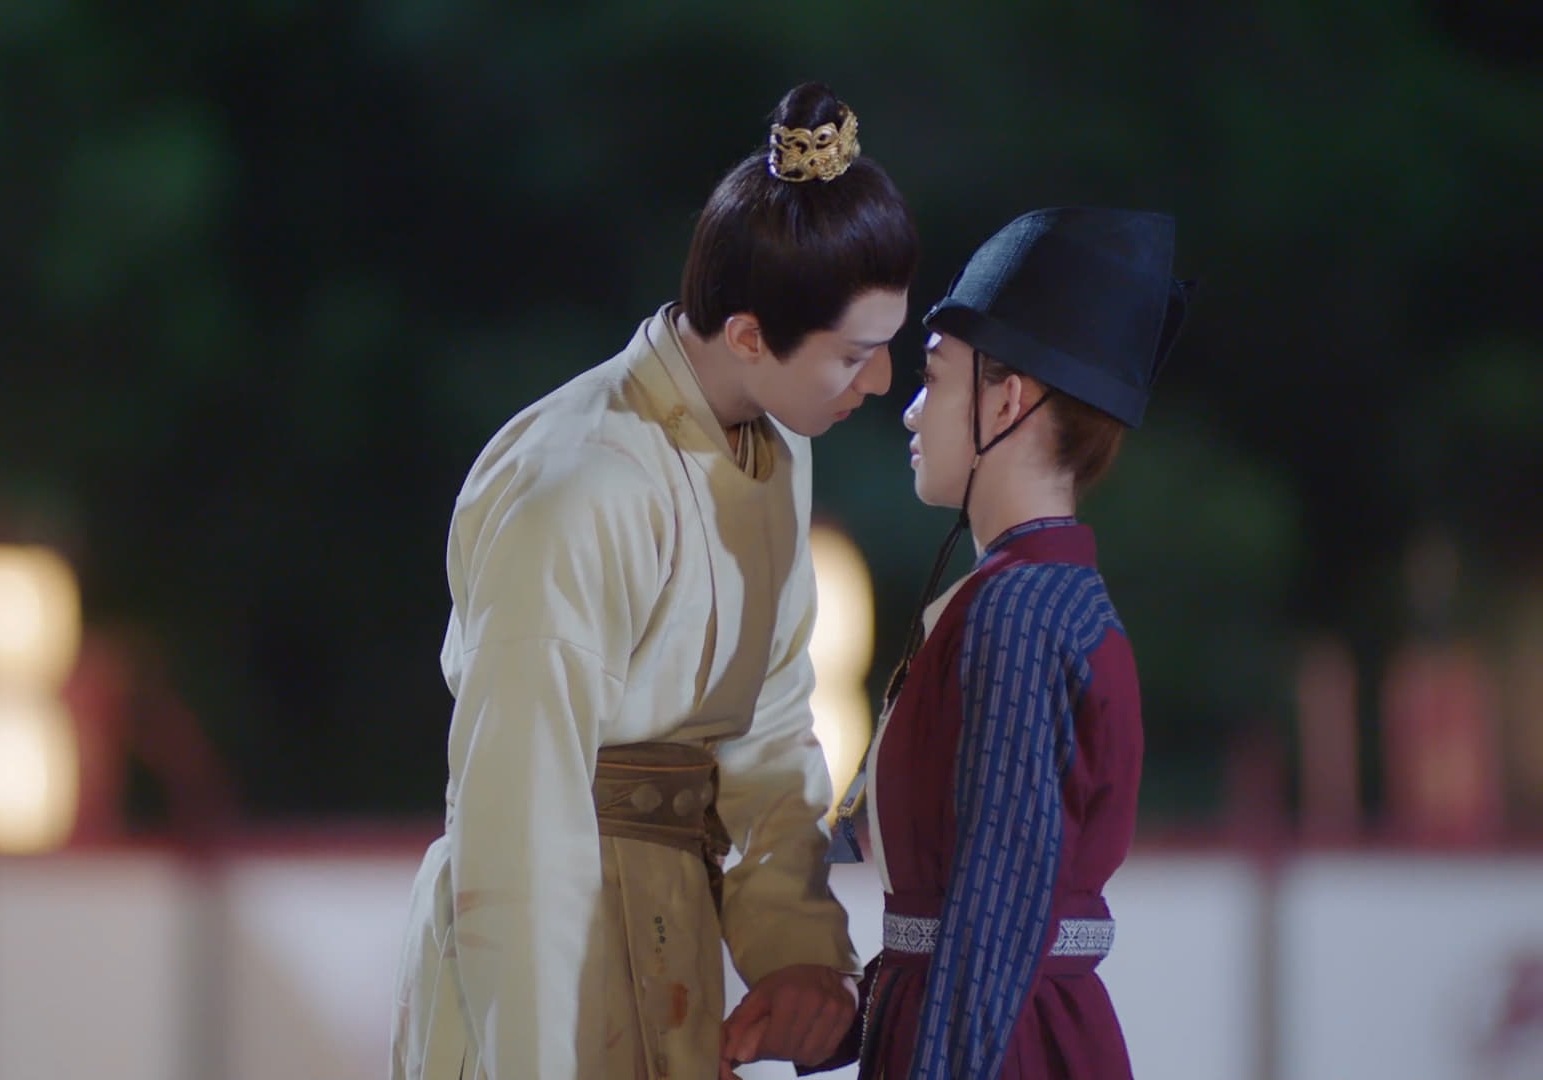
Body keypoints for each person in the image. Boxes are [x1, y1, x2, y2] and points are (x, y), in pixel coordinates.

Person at [389, 82, 919, 1080]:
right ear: (751, 336)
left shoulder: (776, 454)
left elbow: (771, 728)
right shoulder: (576, 486)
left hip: (669, 928)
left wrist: (800, 953)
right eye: (855, 354)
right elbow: (521, 823)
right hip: (542, 960)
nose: (883, 381)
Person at [741, 207, 1193, 1078]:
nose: (913, 412)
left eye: (935, 378)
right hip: (990, 1031)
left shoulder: (1020, 610)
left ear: (1007, 399)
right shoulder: (1023, 594)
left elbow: (993, 924)